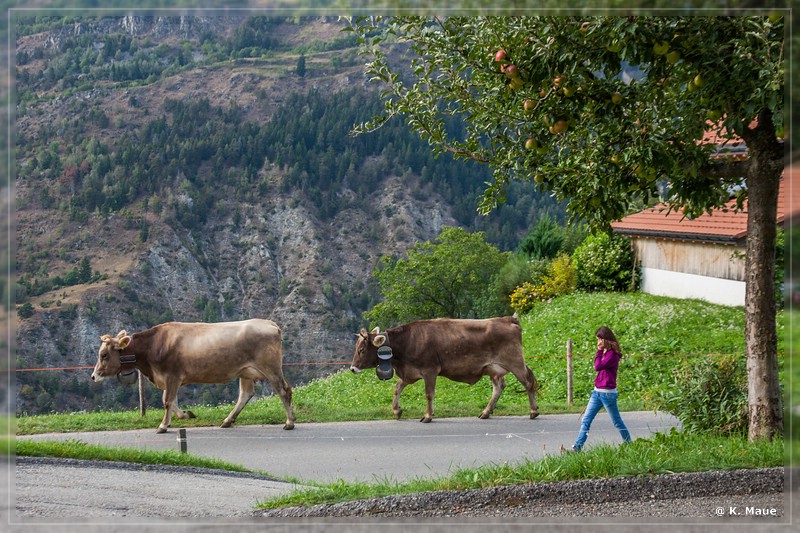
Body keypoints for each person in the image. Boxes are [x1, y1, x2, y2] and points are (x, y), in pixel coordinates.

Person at [569, 326, 632, 452]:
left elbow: (597, 366)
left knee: (617, 422)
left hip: (607, 394)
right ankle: (577, 447)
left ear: (606, 339)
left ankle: (629, 444)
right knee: (586, 419)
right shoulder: (606, 352)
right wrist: (600, 352)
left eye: (600, 339)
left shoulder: (613, 354)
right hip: (597, 392)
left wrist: (598, 351)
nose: (598, 342)